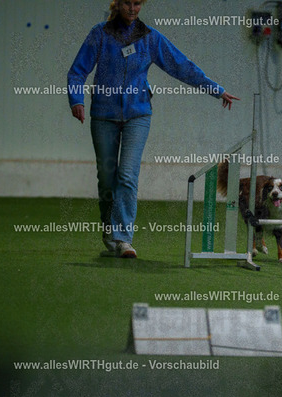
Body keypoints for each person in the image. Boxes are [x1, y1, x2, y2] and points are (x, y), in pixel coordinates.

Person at [68, 0, 239, 258]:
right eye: (128, 3)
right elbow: (77, 72)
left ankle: (123, 238)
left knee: (127, 175)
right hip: (103, 115)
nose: (132, 8)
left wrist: (216, 89)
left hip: (138, 114)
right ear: (118, 4)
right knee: (106, 177)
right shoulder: (99, 34)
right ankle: (109, 229)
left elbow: (181, 66)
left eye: (137, 3)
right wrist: (76, 100)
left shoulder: (150, 38)